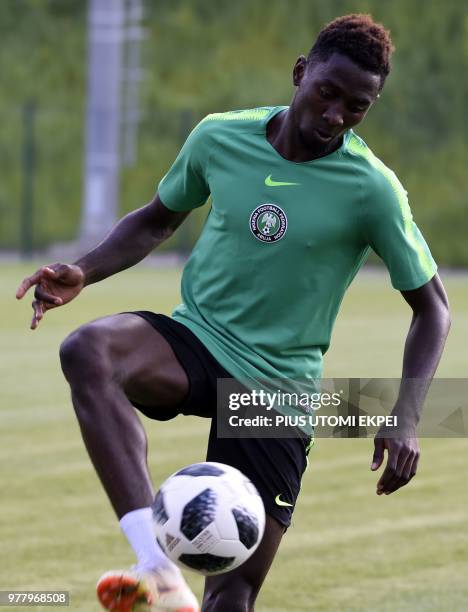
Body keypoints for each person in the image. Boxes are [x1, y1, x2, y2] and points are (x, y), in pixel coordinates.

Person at [16, 13, 451, 612]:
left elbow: (434, 309)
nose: (335, 116)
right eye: (327, 92)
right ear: (301, 72)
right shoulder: (220, 137)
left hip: (273, 392)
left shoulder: (372, 188)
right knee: (88, 350)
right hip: (196, 339)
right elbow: (156, 219)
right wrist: (83, 270)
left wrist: (405, 415)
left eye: (357, 107)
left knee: (232, 597)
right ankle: (154, 564)